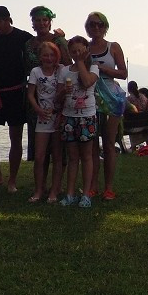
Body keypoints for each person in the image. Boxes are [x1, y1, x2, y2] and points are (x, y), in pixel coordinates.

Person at [0, 6, 34, 193]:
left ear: (7, 20)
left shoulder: (24, 38)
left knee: (16, 137)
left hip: (17, 91)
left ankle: (12, 180)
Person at [86, 11, 127, 200]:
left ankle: (108, 187)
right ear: (87, 27)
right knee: (92, 146)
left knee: (109, 144)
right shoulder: (84, 48)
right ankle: (92, 185)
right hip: (91, 98)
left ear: (105, 27)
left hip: (111, 98)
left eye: (100, 25)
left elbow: (123, 73)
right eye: (92, 24)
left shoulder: (113, 47)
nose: (96, 28)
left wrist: (102, 69)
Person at [59, 36, 98, 208]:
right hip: (69, 116)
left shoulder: (94, 67)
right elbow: (58, 96)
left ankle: (87, 194)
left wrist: (81, 62)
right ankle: (70, 194)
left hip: (87, 116)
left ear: (86, 49)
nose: (77, 54)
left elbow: (88, 81)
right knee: (73, 157)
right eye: (73, 51)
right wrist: (63, 92)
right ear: (69, 52)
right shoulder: (65, 70)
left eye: (80, 50)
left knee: (87, 156)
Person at [25, 40, 66, 203]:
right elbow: (30, 94)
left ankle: (54, 191)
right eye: (45, 55)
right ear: (39, 57)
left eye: (51, 55)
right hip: (42, 117)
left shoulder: (61, 70)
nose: (48, 58)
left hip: (57, 116)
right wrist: (38, 110)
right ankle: (38, 190)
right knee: (40, 156)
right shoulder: (36, 71)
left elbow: (62, 94)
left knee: (57, 156)